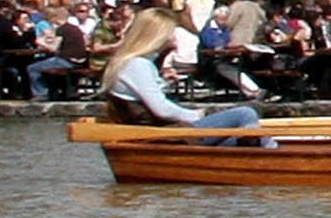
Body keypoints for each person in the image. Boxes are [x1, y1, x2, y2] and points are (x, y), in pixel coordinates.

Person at [99, 7, 264, 141]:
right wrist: (196, 115)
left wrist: (164, 81)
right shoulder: (138, 65)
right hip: (164, 135)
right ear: (157, 35)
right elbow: (161, 109)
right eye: (172, 31)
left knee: (237, 138)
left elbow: (140, 95)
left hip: (161, 131)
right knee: (246, 113)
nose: (175, 35)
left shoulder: (130, 63)